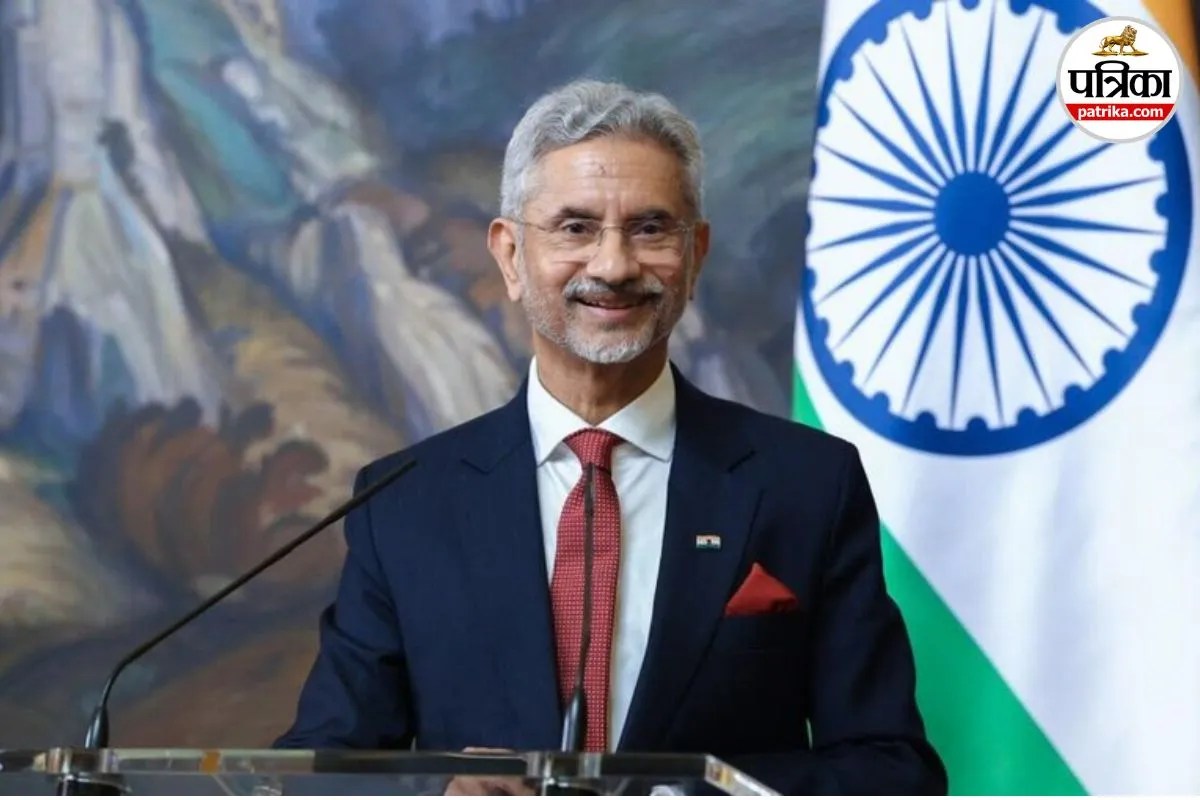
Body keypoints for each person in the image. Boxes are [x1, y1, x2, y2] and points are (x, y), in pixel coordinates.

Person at [276, 79, 947, 795]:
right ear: (510, 255)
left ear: (695, 256)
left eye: (651, 229)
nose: (614, 265)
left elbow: (893, 771)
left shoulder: (806, 483)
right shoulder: (404, 502)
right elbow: (319, 773)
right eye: (575, 228)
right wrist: (436, 791)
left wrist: (698, 794)